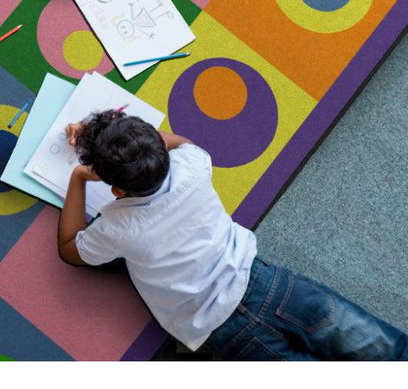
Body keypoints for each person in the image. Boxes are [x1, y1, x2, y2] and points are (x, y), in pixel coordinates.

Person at [56, 109, 408, 360]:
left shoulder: (117, 226)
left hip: (222, 331)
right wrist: (126, 141)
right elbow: (179, 142)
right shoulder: (194, 164)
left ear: (115, 190)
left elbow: (71, 250)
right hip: (269, 284)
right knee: (379, 346)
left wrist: (79, 178)